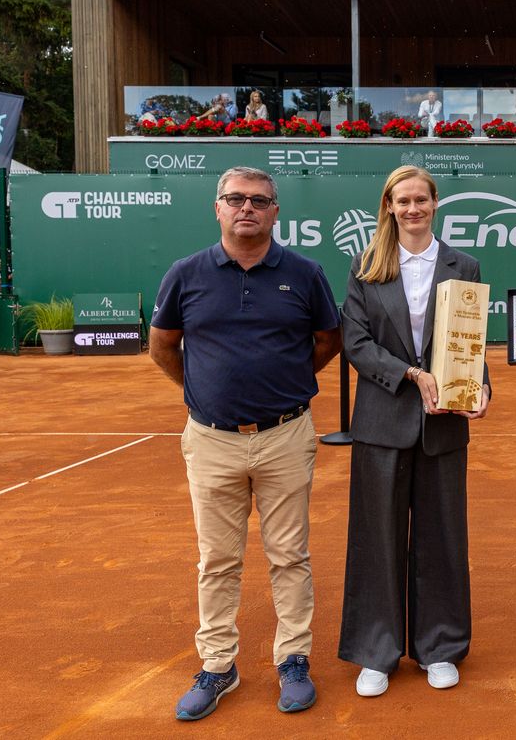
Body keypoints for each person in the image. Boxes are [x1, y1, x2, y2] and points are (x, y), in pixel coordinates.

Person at [149, 167, 342, 721]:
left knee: (290, 555)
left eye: (259, 200)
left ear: (275, 211)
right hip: (211, 440)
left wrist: (287, 385)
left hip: (285, 436)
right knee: (217, 560)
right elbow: (164, 346)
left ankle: (293, 660)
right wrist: (204, 392)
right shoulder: (186, 274)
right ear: (218, 208)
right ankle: (217, 665)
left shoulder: (304, 274)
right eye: (235, 199)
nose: (247, 208)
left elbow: (328, 339)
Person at [338, 165, 490, 699]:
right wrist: (409, 374)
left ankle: (440, 647)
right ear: (389, 206)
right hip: (383, 421)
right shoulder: (367, 265)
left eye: (420, 200)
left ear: (434, 203)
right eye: (402, 201)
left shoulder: (463, 264)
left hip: (444, 425)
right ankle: (377, 652)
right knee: (377, 539)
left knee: (442, 536)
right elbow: (355, 342)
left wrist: (480, 389)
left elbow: (471, 339)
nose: (412, 209)